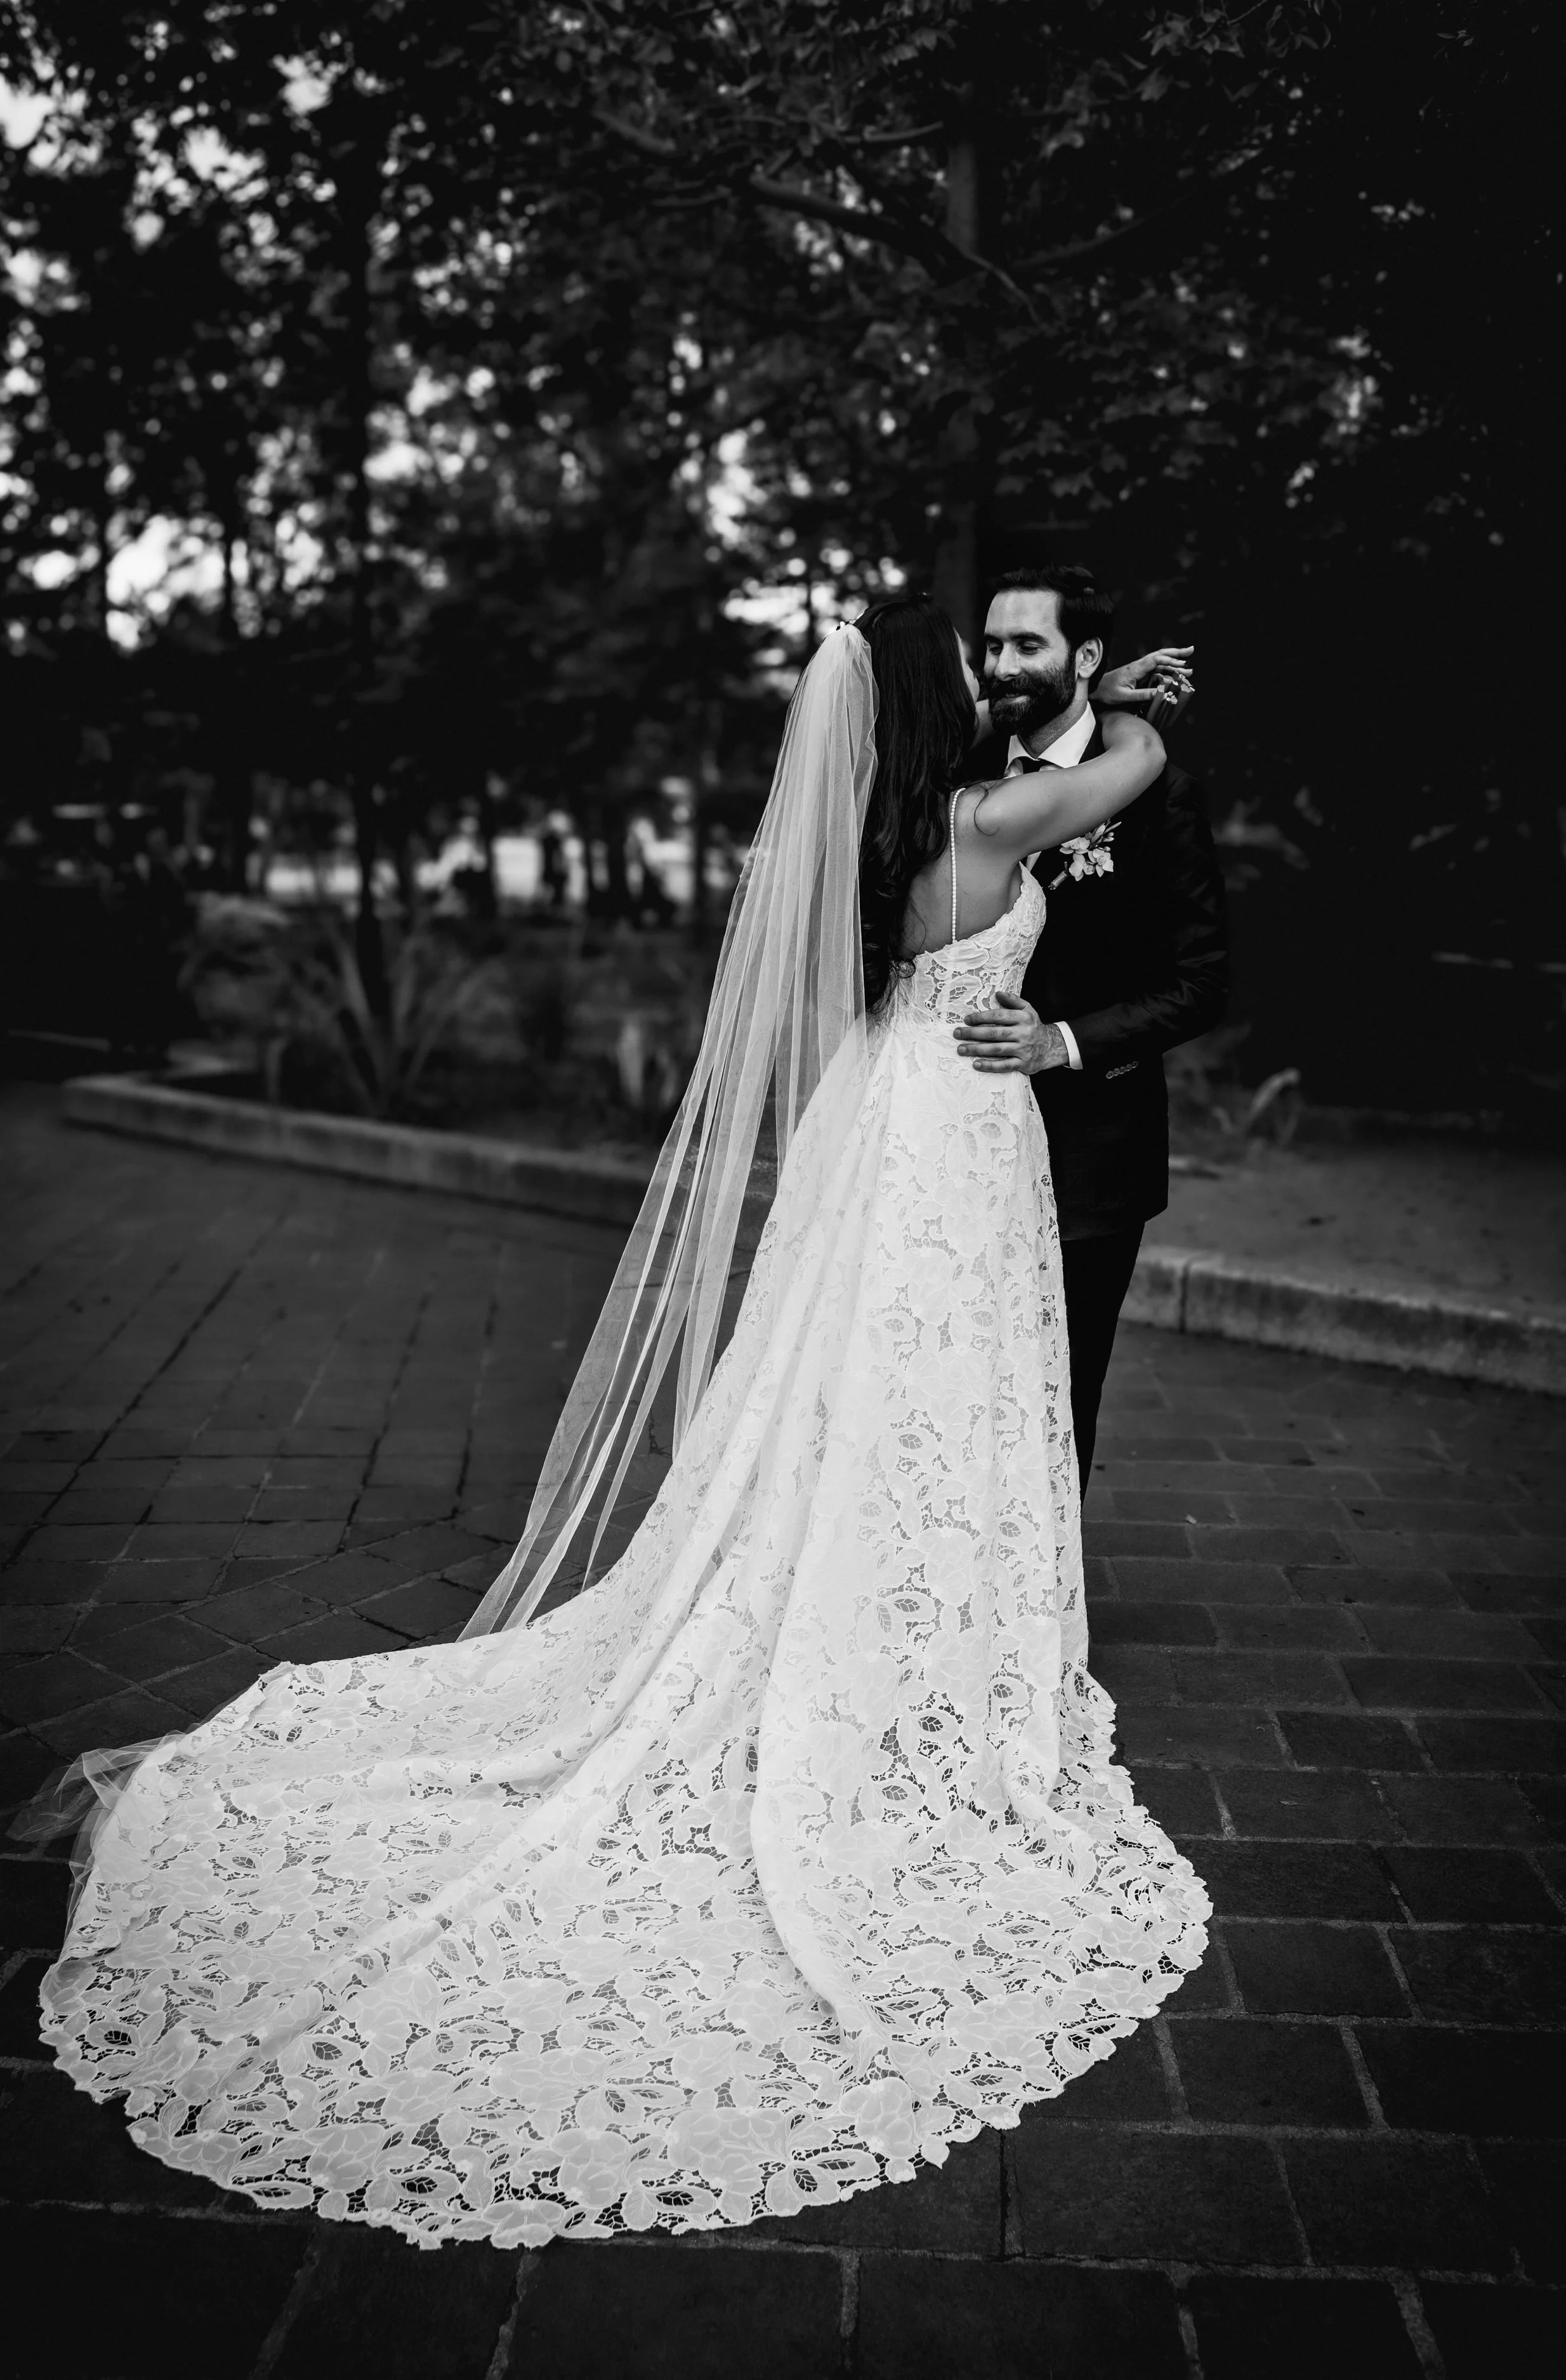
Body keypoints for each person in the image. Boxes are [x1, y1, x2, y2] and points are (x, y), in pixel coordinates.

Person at [29, 599, 1208, 2252]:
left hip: (882, 1133)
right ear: (939, 724)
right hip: (961, 1149)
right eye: (965, 669)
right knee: (937, 1411)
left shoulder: (882, 840)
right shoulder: (998, 816)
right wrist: (1128, 698)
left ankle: (843, 1607)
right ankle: (913, 1660)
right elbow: (1137, 765)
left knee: (840, 1403)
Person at [955, 567, 1230, 1492]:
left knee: (1059, 1389)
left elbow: (1201, 984)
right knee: (947, 1376)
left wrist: (1060, 1041)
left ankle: (1040, 1620)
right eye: (992, 646)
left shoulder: (1158, 793)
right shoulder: (960, 769)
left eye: (1026, 645)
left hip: (1090, 1147)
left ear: (1086, 655)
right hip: (947, 1135)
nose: (1000, 664)